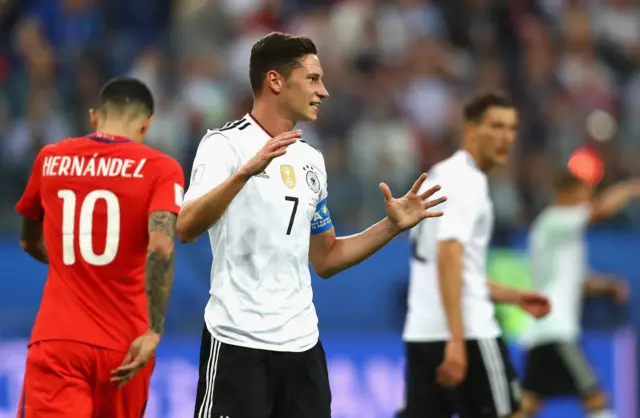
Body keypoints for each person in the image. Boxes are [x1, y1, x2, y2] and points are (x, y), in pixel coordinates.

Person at [176, 32, 447, 418]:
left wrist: (391, 226)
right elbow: (186, 227)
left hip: (303, 348)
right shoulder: (224, 146)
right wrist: (245, 173)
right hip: (238, 343)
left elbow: (326, 258)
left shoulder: (310, 160)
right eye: (313, 79)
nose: (323, 91)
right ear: (275, 81)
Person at [15, 77, 184, 417]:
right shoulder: (162, 169)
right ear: (146, 123)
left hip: (59, 339)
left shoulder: (50, 159)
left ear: (94, 117)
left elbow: (28, 239)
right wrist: (154, 331)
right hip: (128, 346)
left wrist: (72, 267)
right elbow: (162, 247)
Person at [400, 91, 551, 418]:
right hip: (469, 333)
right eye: (496, 126)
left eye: (512, 129)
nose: (506, 137)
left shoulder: (440, 175)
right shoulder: (468, 182)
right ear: (470, 129)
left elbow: (454, 270)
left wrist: (513, 295)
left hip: (423, 334)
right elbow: (448, 256)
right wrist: (456, 339)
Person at [521, 169, 639, 418]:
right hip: (557, 331)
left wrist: (608, 286)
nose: (586, 199)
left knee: (528, 404)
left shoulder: (561, 232)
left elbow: (579, 281)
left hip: (543, 332)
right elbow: (601, 210)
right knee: (595, 398)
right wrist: (629, 188)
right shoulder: (554, 220)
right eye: (583, 193)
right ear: (567, 193)